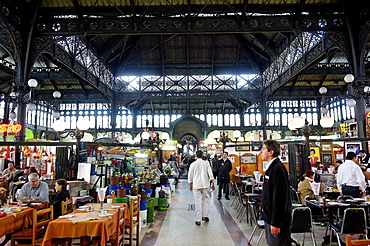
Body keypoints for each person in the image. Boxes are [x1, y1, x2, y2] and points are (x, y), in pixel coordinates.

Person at [260, 139, 292, 246]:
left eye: (263, 149)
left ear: (271, 152)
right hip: (270, 217)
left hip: (277, 221)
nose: (261, 152)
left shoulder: (278, 169)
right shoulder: (271, 168)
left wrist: (276, 222)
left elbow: (280, 197)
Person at [188, 150, 215, 225]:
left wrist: (190, 183)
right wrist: (213, 183)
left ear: (196, 155)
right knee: (206, 200)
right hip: (205, 185)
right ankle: (205, 216)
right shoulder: (206, 163)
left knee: (197, 201)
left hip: (196, 185)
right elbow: (210, 173)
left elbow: (190, 175)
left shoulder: (193, 164)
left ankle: (198, 220)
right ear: (202, 155)